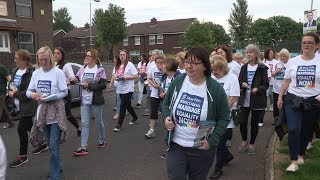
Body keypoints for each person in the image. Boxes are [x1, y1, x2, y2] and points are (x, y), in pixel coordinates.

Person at [162, 47, 230, 179]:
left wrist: (212, 141)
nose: (189, 66)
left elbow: (224, 118)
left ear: (205, 66)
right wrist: (166, 118)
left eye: (194, 63)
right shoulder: (178, 81)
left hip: (201, 149)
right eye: (187, 61)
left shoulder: (215, 89)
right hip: (176, 145)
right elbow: (166, 104)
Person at [277, 32, 320, 172]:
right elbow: (286, 80)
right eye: (304, 42)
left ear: (316, 45)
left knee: (306, 131)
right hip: (293, 99)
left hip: (312, 102)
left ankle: (301, 154)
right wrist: (280, 97)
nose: (306, 45)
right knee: (294, 129)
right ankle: (293, 160)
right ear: (301, 45)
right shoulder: (293, 61)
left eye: (310, 42)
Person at [27, 46, 68, 180]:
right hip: (42, 112)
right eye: (41, 59)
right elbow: (29, 91)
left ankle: (54, 175)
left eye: (45, 59)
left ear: (50, 58)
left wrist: (52, 97)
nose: (43, 62)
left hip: (56, 111)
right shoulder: (36, 73)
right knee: (50, 145)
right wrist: (33, 94)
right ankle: (58, 164)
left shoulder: (58, 72)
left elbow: (64, 91)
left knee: (54, 145)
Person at [209, 55, 240, 179]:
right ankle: (227, 156)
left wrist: (221, 112)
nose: (214, 73)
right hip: (212, 116)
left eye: (217, 70)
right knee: (214, 142)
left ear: (223, 68)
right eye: (212, 70)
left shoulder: (232, 78)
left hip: (226, 117)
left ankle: (218, 168)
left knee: (220, 143)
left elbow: (233, 97)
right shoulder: (211, 78)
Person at [73, 49, 107, 156]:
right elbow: (77, 78)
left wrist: (89, 86)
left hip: (96, 100)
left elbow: (103, 85)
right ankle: (83, 147)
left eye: (89, 56)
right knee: (84, 123)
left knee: (98, 121)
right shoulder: (82, 68)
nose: (86, 57)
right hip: (84, 100)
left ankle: (102, 140)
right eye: (86, 55)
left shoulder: (100, 70)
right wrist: (71, 80)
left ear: (95, 58)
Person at [7, 49, 37, 168]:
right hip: (18, 105)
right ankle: (43, 142)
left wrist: (14, 94)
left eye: (17, 59)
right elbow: (12, 84)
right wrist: (11, 89)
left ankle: (23, 156)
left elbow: (27, 93)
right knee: (30, 127)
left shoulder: (31, 73)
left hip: (28, 106)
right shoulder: (16, 70)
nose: (15, 61)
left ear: (24, 60)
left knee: (21, 129)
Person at [238, 44, 269, 155]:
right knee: (242, 122)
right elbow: (239, 81)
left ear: (256, 53)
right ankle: (244, 140)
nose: (248, 54)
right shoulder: (244, 67)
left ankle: (252, 144)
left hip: (257, 100)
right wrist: (243, 84)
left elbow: (266, 84)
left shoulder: (262, 68)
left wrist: (258, 88)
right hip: (244, 99)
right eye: (247, 52)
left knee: (254, 123)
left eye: (251, 52)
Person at [216, 45, 241, 147]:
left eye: (221, 52)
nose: (219, 55)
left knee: (228, 125)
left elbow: (239, 78)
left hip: (231, 94)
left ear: (227, 53)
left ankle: (228, 138)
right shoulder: (214, 68)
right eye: (217, 53)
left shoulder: (234, 65)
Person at [54, 47, 81, 137]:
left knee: (67, 115)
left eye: (58, 53)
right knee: (57, 115)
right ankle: (59, 134)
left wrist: (65, 83)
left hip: (65, 94)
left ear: (62, 55)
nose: (56, 55)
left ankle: (78, 127)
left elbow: (73, 80)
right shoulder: (53, 66)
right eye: (54, 53)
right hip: (56, 95)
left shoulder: (66, 66)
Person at [113, 50, 139, 132]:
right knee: (127, 105)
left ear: (126, 56)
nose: (122, 56)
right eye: (120, 54)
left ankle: (118, 125)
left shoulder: (130, 65)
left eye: (123, 54)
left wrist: (126, 78)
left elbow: (136, 75)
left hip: (129, 88)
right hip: (120, 88)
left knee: (122, 105)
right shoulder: (117, 65)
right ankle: (135, 117)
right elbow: (115, 75)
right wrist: (116, 78)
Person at [145, 55, 165, 138]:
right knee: (153, 111)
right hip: (154, 93)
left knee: (165, 111)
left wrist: (163, 70)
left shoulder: (166, 68)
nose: (159, 64)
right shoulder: (152, 68)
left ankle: (170, 129)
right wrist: (153, 85)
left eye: (161, 62)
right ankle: (151, 130)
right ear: (155, 62)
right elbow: (149, 78)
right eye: (158, 63)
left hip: (164, 94)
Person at [272, 48, 290, 122]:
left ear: (287, 56)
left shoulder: (290, 64)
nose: (282, 58)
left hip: (286, 89)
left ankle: (284, 119)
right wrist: (276, 71)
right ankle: (276, 119)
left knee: (285, 105)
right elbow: (272, 75)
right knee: (276, 105)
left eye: (284, 56)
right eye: (281, 56)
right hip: (276, 89)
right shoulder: (277, 64)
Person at [142, 50, 161, 116]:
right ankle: (148, 110)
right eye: (152, 55)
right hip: (151, 84)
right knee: (149, 97)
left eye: (154, 55)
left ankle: (158, 110)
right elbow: (148, 73)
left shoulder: (160, 63)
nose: (152, 56)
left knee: (159, 97)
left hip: (159, 85)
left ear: (157, 55)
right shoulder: (151, 63)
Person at [263, 48, 278, 113]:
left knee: (270, 94)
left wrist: (273, 73)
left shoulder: (276, 62)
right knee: (265, 94)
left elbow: (277, 71)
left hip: (273, 81)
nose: (271, 54)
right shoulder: (264, 61)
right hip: (265, 81)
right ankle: (265, 105)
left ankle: (271, 105)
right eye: (270, 53)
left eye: (272, 53)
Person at [0, 63, 14, 129]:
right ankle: (11, 122)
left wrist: (9, 90)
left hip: (1, 93)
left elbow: (9, 79)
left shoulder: (2, 67)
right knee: (3, 108)